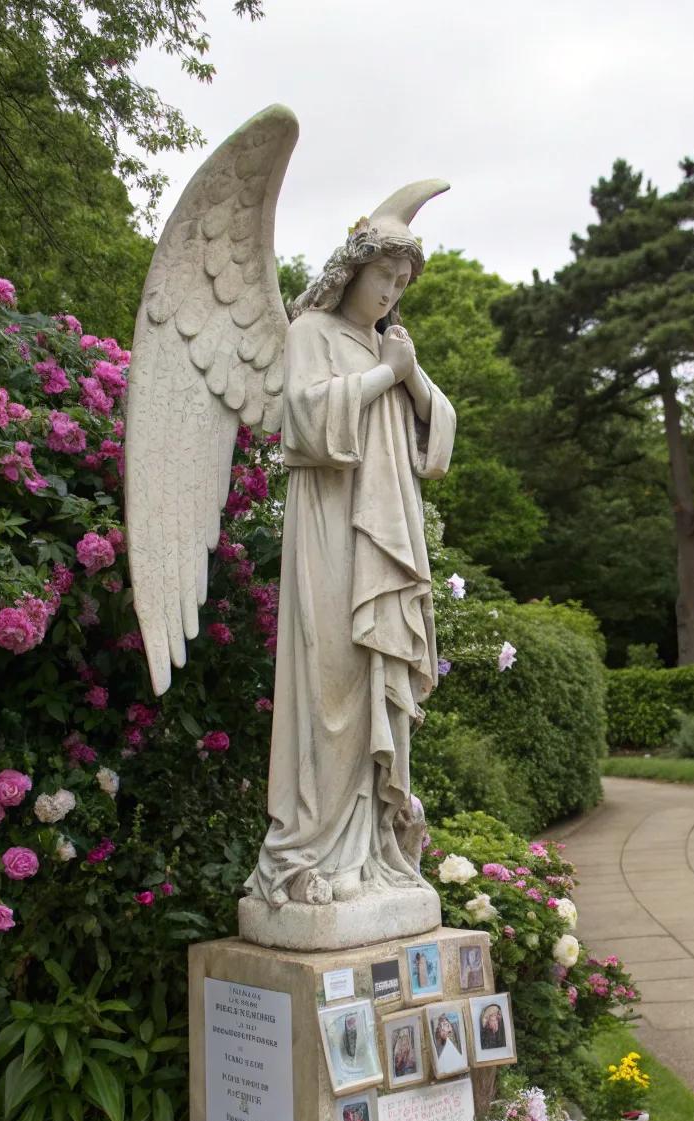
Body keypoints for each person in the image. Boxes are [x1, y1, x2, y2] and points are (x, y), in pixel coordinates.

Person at [246, 190, 456, 910]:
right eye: (383, 281)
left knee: (375, 686)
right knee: (331, 682)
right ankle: (309, 848)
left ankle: (370, 853)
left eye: (400, 287)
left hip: (385, 542)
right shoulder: (311, 331)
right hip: (331, 526)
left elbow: (436, 443)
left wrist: (409, 373)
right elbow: (305, 424)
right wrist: (384, 376)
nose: (390, 295)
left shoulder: (388, 348)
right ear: (352, 274)